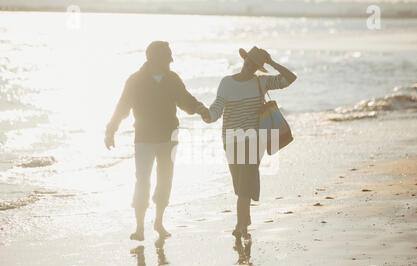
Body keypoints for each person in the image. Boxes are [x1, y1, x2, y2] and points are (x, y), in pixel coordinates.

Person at [105, 41, 208, 241]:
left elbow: (185, 100)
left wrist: (201, 109)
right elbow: (122, 107)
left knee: (164, 179)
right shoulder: (135, 80)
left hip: (168, 137)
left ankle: (159, 222)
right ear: (153, 59)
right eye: (167, 58)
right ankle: (139, 227)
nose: (170, 62)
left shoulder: (172, 79)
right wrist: (111, 130)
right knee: (142, 179)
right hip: (143, 138)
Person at [201, 46, 297, 239]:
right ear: (243, 61)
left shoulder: (261, 83)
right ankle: (246, 217)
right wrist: (207, 115)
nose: (248, 67)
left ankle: (240, 225)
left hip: (254, 140)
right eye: (247, 62)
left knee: (244, 182)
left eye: (253, 65)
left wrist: (271, 62)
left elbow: (290, 78)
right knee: (239, 183)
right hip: (230, 140)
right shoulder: (226, 83)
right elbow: (217, 108)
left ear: (257, 67)